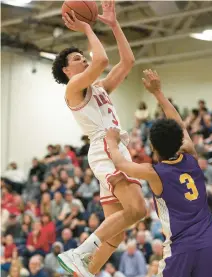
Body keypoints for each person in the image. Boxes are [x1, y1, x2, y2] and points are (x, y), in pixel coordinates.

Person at [52, 1, 147, 276]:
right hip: (106, 148)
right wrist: (85, 27)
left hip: (114, 148)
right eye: (77, 59)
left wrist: (114, 25)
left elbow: (127, 61)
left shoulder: (99, 87)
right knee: (137, 208)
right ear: (68, 71)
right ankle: (78, 252)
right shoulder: (73, 88)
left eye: (83, 56)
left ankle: (85, 269)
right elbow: (102, 60)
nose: (83, 58)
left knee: (115, 236)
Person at [105, 69, 212, 277]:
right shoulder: (190, 155)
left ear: (153, 147)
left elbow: (121, 163)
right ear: (178, 141)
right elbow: (178, 123)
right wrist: (158, 93)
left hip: (181, 247)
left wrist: (111, 141)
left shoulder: (155, 172)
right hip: (210, 243)